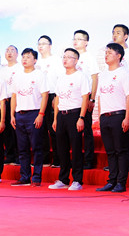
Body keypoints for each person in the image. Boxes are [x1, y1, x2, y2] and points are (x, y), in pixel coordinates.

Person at [95, 43, 129, 193]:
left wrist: (127, 117)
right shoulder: (103, 75)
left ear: (119, 56)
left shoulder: (124, 73)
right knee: (110, 151)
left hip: (119, 115)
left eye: (110, 53)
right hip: (105, 116)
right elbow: (100, 97)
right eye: (106, 52)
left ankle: (121, 182)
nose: (107, 55)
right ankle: (111, 181)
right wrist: (100, 116)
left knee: (120, 150)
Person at [49, 48, 90, 191]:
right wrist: (55, 119)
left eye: (69, 57)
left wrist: (81, 117)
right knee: (62, 149)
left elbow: (85, 97)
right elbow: (57, 99)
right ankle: (63, 179)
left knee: (76, 148)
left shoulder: (81, 76)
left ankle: (77, 180)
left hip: (75, 114)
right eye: (64, 56)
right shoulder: (61, 77)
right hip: (61, 115)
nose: (65, 59)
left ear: (76, 60)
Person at [10, 48, 49, 187]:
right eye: (23, 57)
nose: (25, 59)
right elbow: (14, 96)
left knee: (36, 147)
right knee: (22, 148)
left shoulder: (39, 75)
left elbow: (45, 95)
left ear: (35, 60)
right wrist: (12, 115)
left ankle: (37, 177)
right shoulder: (17, 76)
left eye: (28, 57)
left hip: (34, 114)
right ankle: (24, 177)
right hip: (19, 115)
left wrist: (41, 114)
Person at [111, 24, 129, 171]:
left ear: (126, 36)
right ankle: (116, 164)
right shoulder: (111, 55)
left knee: (125, 132)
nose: (115, 35)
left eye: (118, 32)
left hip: (125, 97)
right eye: (113, 32)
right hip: (113, 98)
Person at [73, 30, 98, 170]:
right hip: (72, 99)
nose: (76, 41)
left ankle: (89, 160)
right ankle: (76, 160)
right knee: (74, 131)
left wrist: (92, 99)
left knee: (87, 130)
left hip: (86, 98)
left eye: (79, 39)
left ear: (86, 42)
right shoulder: (71, 57)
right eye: (74, 39)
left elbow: (94, 78)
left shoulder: (89, 58)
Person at [36, 35, 62, 167]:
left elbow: (61, 78)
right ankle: (45, 159)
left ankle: (58, 159)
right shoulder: (36, 63)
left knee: (54, 128)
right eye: (39, 44)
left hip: (53, 96)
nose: (41, 46)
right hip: (40, 97)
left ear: (50, 46)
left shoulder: (56, 60)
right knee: (41, 129)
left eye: (44, 43)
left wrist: (57, 96)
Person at [0, 45, 20, 165]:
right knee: (6, 129)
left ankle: (18, 156)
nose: (9, 53)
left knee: (16, 129)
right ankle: (9, 155)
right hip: (4, 101)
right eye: (7, 50)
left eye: (12, 50)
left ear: (17, 54)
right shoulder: (1, 69)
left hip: (16, 101)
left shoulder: (20, 67)